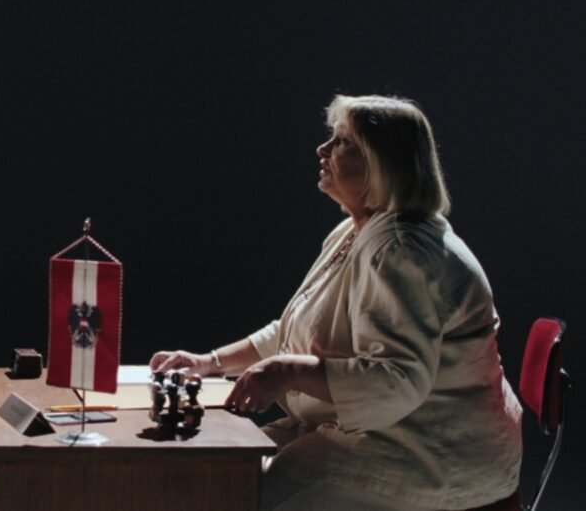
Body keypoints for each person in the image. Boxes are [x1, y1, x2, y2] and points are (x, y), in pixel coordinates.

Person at [150, 95, 523, 511]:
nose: (322, 150)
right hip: (384, 437)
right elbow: (295, 330)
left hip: (430, 457)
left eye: (343, 141)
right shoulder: (356, 230)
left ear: (383, 164)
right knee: (212, 479)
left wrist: (288, 371)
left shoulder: (401, 251)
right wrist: (209, 361)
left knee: (242, 497)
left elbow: (395, 381)